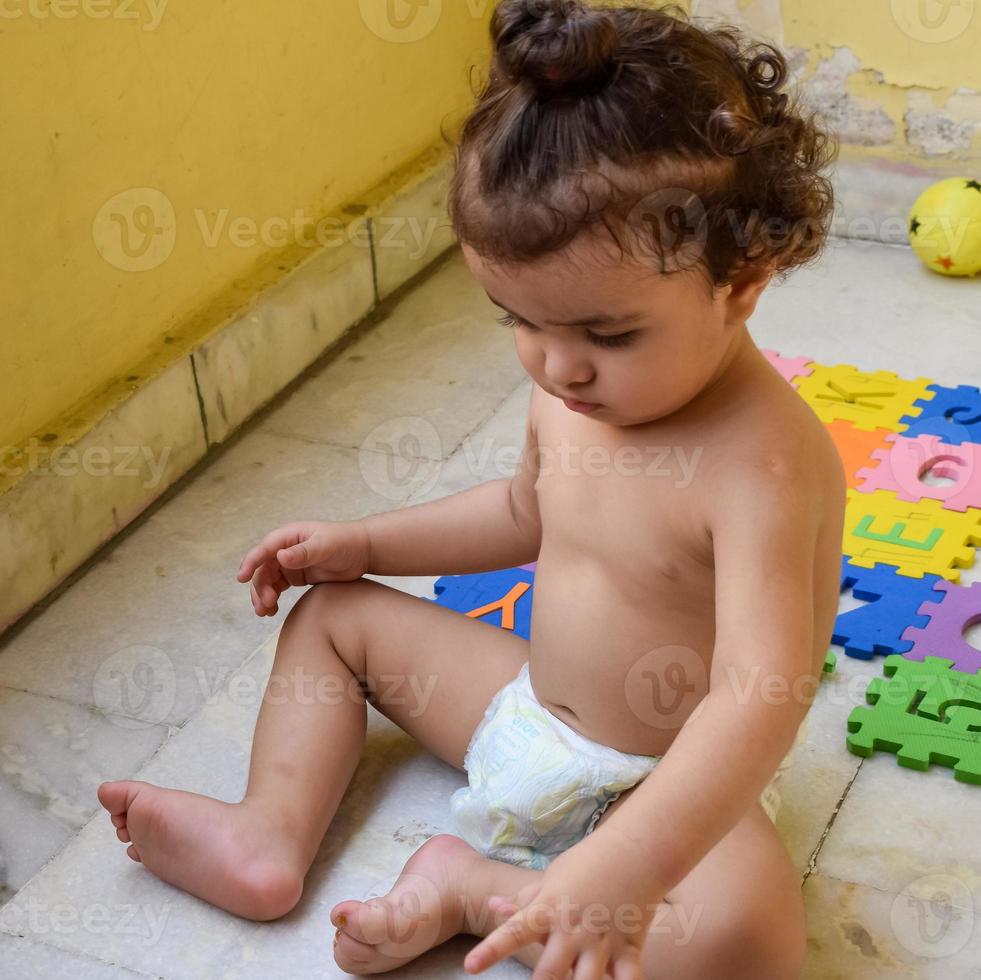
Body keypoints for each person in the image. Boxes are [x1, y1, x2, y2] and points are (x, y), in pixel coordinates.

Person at [98, 1, 845, 976]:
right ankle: (266, 831)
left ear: (743, 276)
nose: (556, 367)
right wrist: (368, 546)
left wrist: (628, 861)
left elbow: (758, 695)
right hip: (525, 709)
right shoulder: (573, 392)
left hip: (666, 785)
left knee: (751, 933)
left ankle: (478, 888)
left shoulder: (766, 465)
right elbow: (523, 514)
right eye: (519, 321)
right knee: (334, 616)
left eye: (605, 335)